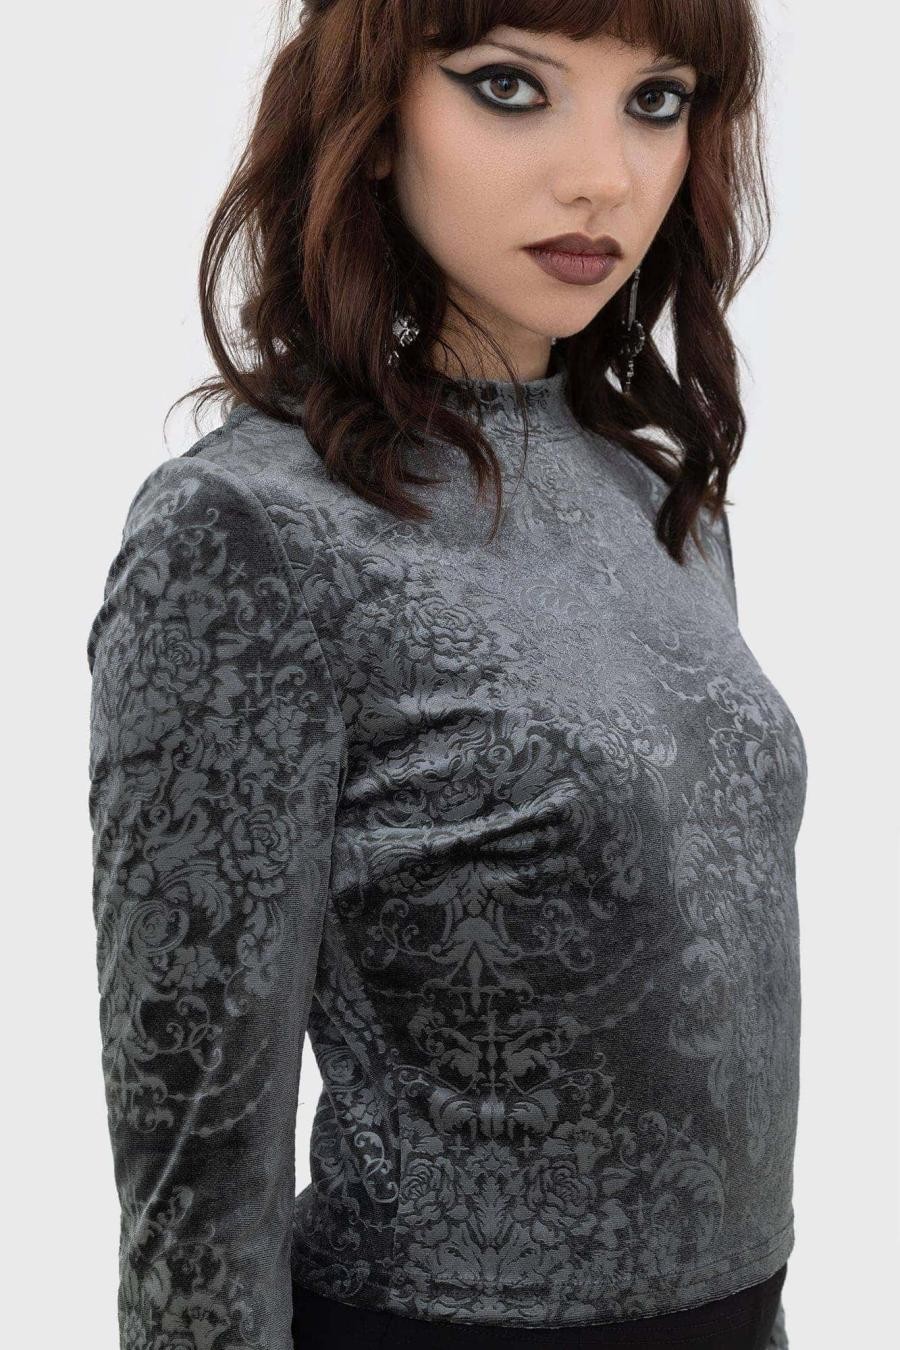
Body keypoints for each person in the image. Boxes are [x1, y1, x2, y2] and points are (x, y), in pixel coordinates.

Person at [86, 3, 806, 1347]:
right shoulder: (253, 527)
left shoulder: (660, 500)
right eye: (511, 87)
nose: (603, 176)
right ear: (373, 121)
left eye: (655, 101)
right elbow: (196, 1170)